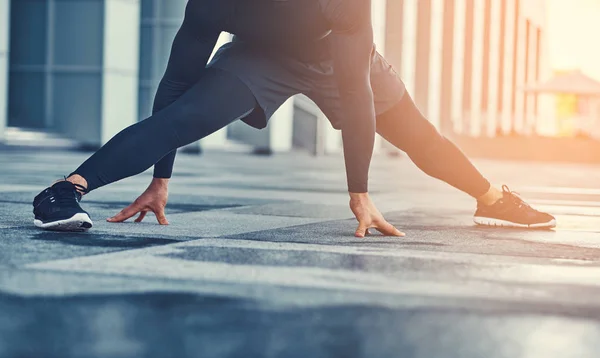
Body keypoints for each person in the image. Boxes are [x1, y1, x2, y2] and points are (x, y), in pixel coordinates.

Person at [32, 0, 555, 236]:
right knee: (188, 115)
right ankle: (65, 190)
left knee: (421, 139)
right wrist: (160, 177)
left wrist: (360, 191)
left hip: (340, 58)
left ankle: (494, 200)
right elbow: (176, 89)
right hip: (259, 57)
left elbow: (354, 94)